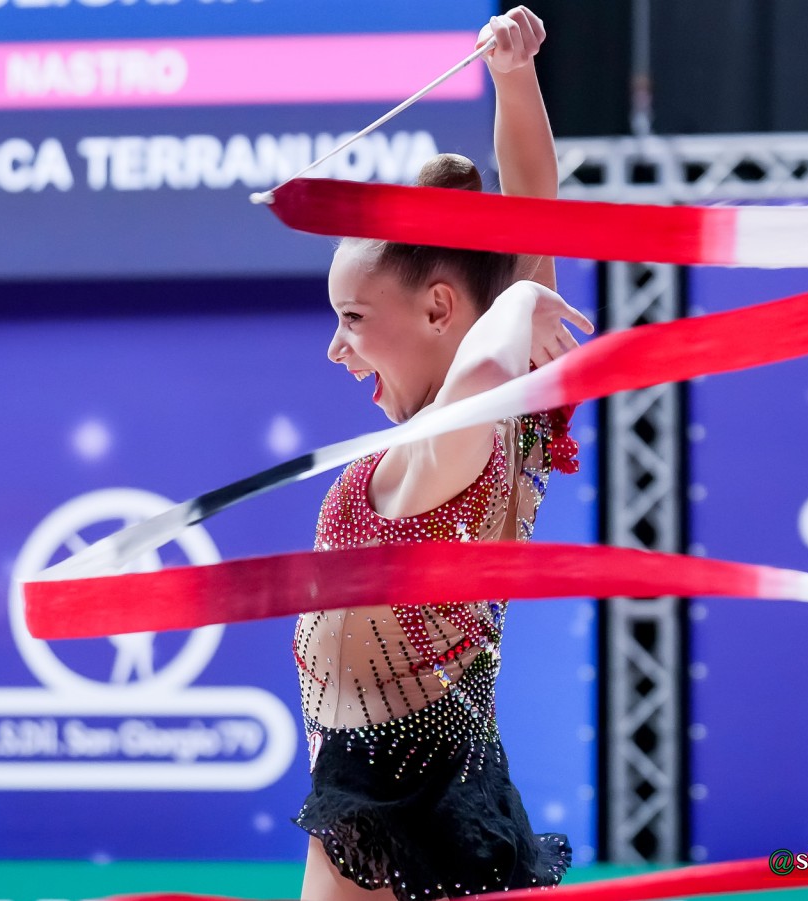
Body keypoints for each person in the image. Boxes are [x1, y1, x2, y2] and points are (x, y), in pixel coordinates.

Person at [291, 8, 593, 900]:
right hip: (442, 774)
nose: (336, 349)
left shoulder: (456, 442)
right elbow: (534, 200)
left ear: (436, 310)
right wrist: (514, 76)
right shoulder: (510, 411)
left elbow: (482, 370)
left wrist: (515, 307)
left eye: (352, 318)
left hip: (389, 791)